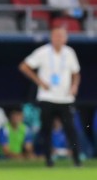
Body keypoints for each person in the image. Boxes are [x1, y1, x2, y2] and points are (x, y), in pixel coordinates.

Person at [18, 26, 82, 166]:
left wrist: (74, 86)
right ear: (51, 37)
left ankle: (77, 160)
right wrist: (39, 82)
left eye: (61, 36)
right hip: (47, 97)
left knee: (70, 129)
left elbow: (76, 72)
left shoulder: (69, 53)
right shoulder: (43, 52)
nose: (58, 39)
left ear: (66, 38)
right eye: (56, 36)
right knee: (46, 130)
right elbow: (24, 66)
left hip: (65, 98)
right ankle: (48, 160)